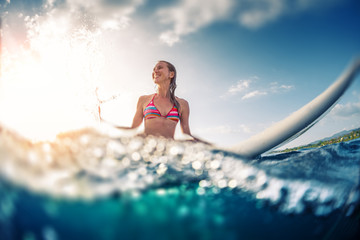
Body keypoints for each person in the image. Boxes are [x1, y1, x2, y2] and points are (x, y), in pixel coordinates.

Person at [100, 60, 207, 143]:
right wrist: (105, 122)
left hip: (168, 149)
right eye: (154, 69)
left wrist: (207, 143)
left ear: (171, 74)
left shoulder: (182, 104)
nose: (155, 71)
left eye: (159, 68)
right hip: (145, 146)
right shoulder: (144, 100)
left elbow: (186, 134)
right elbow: (133, 128)